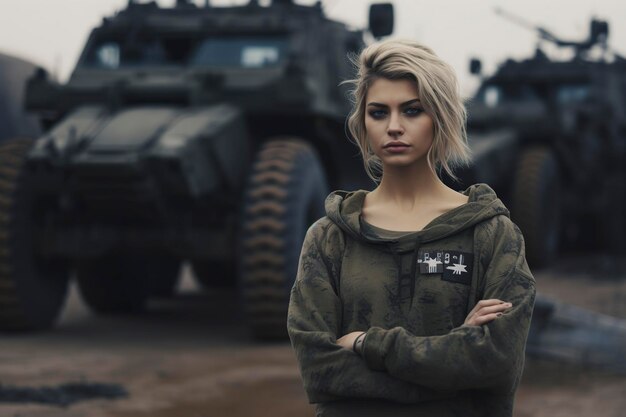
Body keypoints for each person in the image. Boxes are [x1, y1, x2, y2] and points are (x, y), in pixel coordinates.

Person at [287, 39, 536, 417]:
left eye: (412, 110)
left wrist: (368, 345)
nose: (394, 127)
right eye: (378, 112)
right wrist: (451, 361)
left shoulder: (492, 234)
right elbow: (320, 371)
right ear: (362, 123)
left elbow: (494, 362)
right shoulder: (329, 237)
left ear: (441, 116)